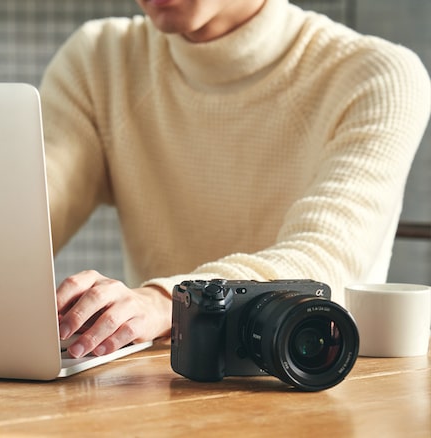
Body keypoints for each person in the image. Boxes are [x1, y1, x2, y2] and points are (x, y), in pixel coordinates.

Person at [40, 0, 431, 359]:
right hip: (157, 387)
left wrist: (168, 302)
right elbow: (25, 220)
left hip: (305, 390)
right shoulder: (99, 59)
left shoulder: (378, 76)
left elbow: (325, 265)